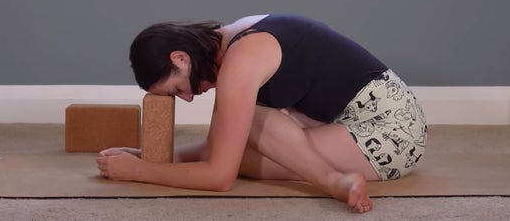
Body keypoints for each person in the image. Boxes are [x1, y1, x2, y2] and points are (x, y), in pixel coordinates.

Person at [96, 14, 427, 213]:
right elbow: (216, 148)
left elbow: (218, 177)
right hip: (357, 122)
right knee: (232, 150)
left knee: (233, 158)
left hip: (389, 134)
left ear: (180, 58)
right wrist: (148, 156)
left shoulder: (241, 61)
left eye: (178, 88)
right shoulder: (234, 39)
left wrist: (139, 172)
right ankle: (332, 176)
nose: (188, 98)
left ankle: (333, 181)